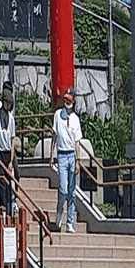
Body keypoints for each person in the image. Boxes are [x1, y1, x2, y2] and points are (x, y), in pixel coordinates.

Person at [51, 92, 84, 232]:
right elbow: (54, 135)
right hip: (62, 155)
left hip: (71, 154)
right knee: (63, 189)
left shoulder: (76, 119)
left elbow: (77, 142)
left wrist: (78, 160)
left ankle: (70, 222)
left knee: (72, 191)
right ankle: (59, 214)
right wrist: (51, 154)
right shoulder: (58, 115)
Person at [0, 89, 17, 211]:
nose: (8, 105)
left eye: (10, 103)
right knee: (0, 179)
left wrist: (11, 160)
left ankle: (8, 206)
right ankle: (2, 205)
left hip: (7, 152)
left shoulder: (11, 119)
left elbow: (12, 140)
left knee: (9, 180)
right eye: (6, 102)